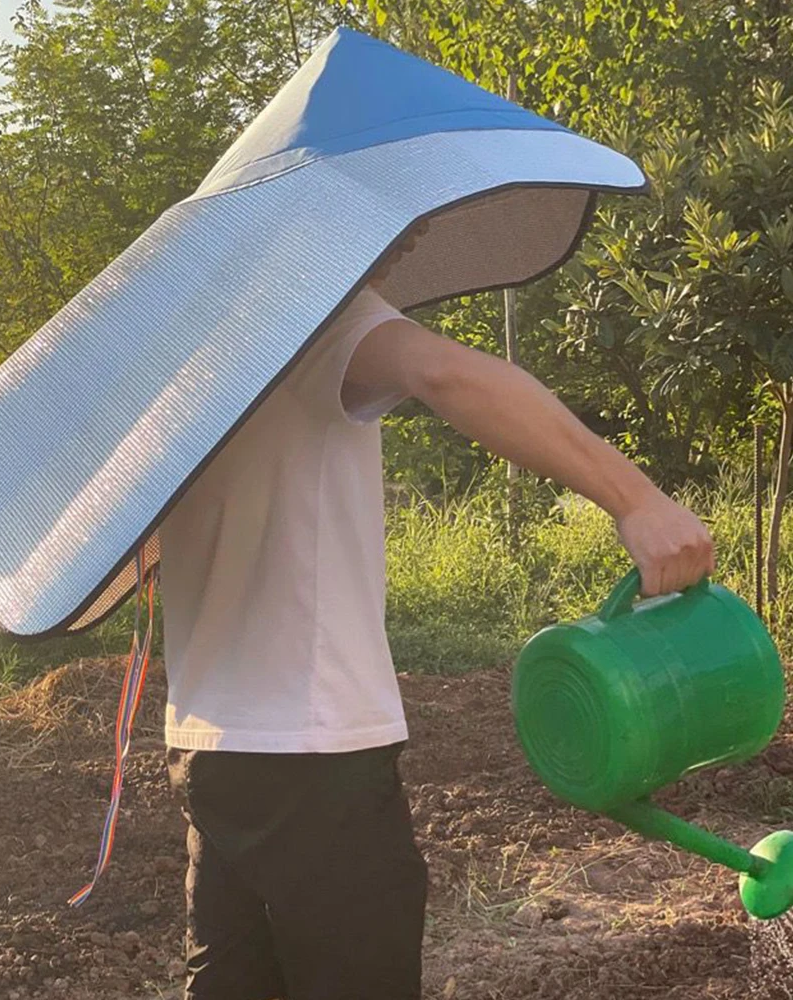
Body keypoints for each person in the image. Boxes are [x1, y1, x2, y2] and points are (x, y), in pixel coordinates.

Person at [156, 223, 715, 1000]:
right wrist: (636, 499)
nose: (408, 243)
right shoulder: (315, 308)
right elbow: (445, 372)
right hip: (313, 753)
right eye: (396, 219)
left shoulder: (192, 349)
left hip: (209, 748)